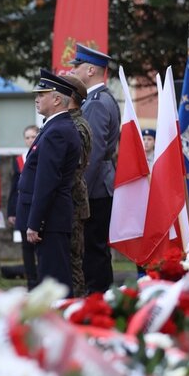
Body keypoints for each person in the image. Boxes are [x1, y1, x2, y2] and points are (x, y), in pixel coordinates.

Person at [18, 70, 83, 292]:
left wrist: (36, 222)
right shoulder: (54, 127)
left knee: (54, 281)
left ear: (57, 99)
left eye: (42, 94)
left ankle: (61, 323)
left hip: (51, 219)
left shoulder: (58, 131)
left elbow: (47, 181)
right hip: (52, 217)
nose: (37, 98)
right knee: (51, 277)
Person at [69, 44, 119, 295]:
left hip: (95, 187)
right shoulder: (95, 100)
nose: (73, 70)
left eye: (76, 66)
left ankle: (98, 297)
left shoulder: (97, 103)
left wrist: (80, 189)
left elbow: (94, 152)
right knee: (92, 246)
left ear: (90, 70)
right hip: (98, 185)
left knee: (93, 248)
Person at [61, 74, 92, 296]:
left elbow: (73, 166)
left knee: (73, 261)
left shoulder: (77, 127)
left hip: (72, 200)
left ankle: (78, 309)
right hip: (68, 199)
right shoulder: (67, 122)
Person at [8, 125, 39, 288]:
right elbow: (13, 188)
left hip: (39, 205)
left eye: (33, 136)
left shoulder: (42, 155)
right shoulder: (19, 160)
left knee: (40, 246)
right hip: (22, 208)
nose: (30, 140)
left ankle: (42, 279)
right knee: (26, 247)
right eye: (27, 137)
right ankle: (31, 280)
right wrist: (11, 211)